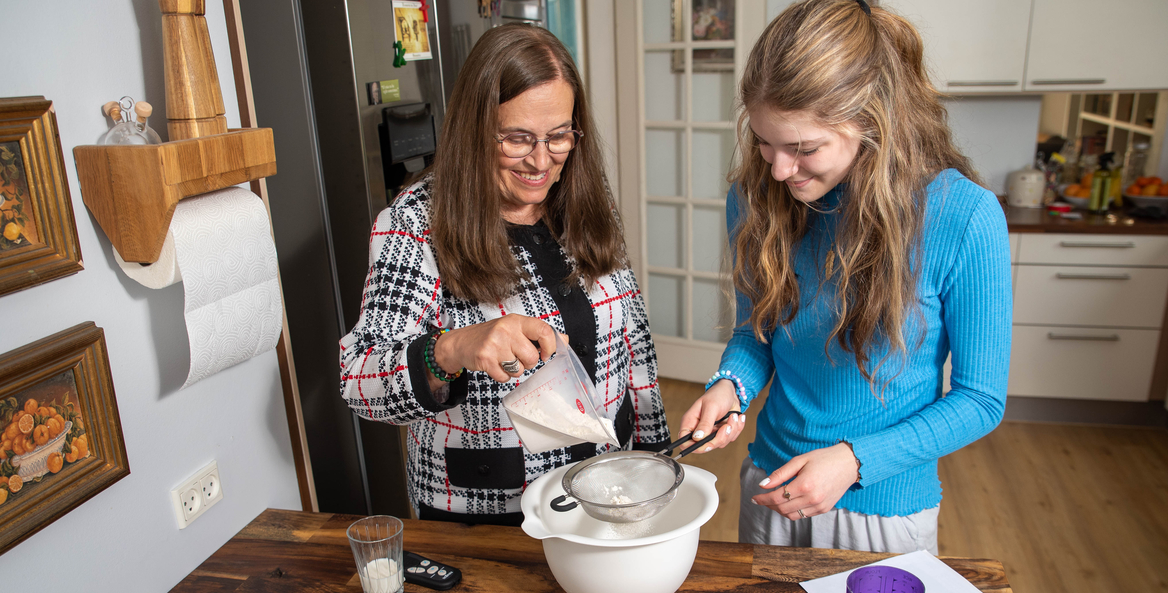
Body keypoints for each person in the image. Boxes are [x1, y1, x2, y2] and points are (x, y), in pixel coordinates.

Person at [679, 0, 1011, 553]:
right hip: (771, 482)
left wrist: (856, 462)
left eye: (804, 148)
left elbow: (981, 400)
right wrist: (730, 388)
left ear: (873, 120)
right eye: (765, 142)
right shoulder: (757, 197)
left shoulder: (963, 216)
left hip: (884, 504)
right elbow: (756, 332)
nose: (780, 169)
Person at [340, 24, 668, 525]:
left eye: (559, 135)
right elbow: (358, 380)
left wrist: (657, 464)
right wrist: (450, 349)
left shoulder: (584, 204)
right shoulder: (414, 225)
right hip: (487, 514)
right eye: (517, 138)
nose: (541, 160)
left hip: (606, 492)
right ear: (476, 129)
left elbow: (634, 346)